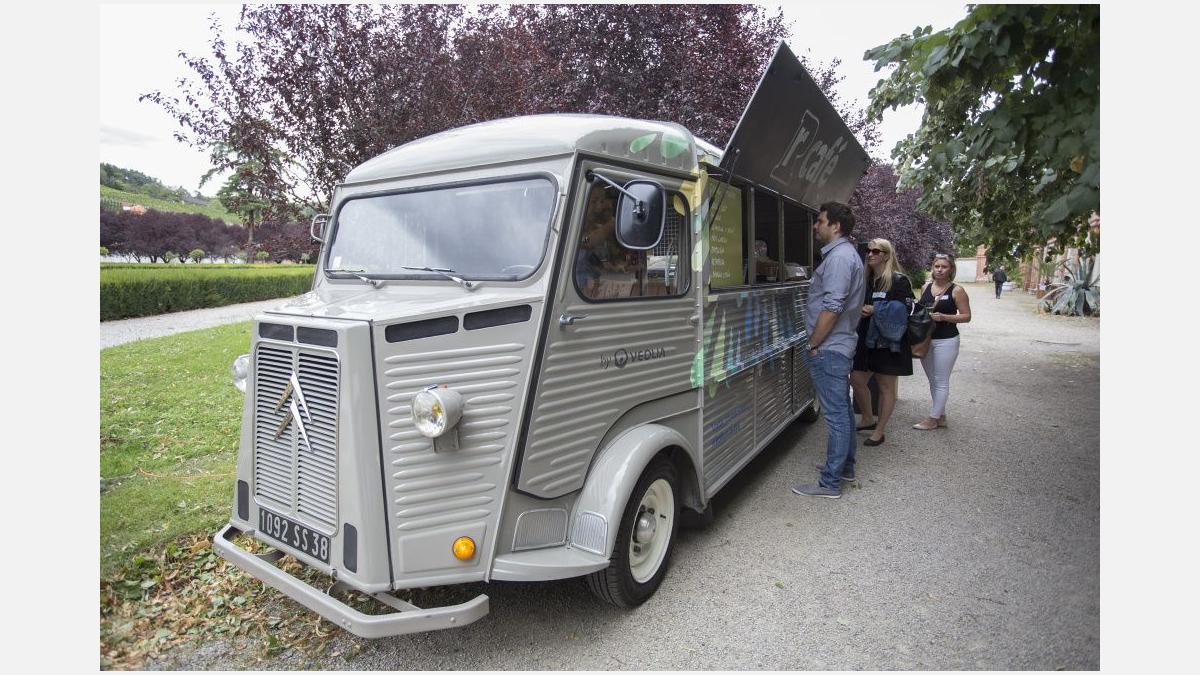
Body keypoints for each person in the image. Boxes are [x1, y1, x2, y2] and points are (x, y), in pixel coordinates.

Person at [792, 202, 865, 499]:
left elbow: (832, 307)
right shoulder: (846, 255)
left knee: (835, 416)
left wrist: (813, 343)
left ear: (835, 226)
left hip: (829, 348)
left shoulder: (839, 259)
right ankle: (845, 468)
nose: (815, 226)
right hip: (837, 346)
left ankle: (830, 483)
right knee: (843, 410)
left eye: (820, 221)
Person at [849, 239, 914, 447]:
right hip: (865, 339)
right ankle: (868, 418)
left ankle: (880, 430)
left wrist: (876, 309)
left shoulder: (898, 280)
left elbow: (907, 309)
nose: (870, 254)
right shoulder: (866, 280)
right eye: (868, 251)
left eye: (876, 251)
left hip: (888, 342)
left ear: (886, 255)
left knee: (886, 387)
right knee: (856, 379)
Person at [913, 254, 972, 430]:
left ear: (951, 269)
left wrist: (944, 317)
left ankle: (932, 419)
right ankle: (941, 415)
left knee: (941, 379)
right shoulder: (926, 287)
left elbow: (966, 316)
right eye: (937, 266)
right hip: (926, 339)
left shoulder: (957, 290)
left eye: (944, 267)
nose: (939, 270)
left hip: (946, 340)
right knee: (933, 379)